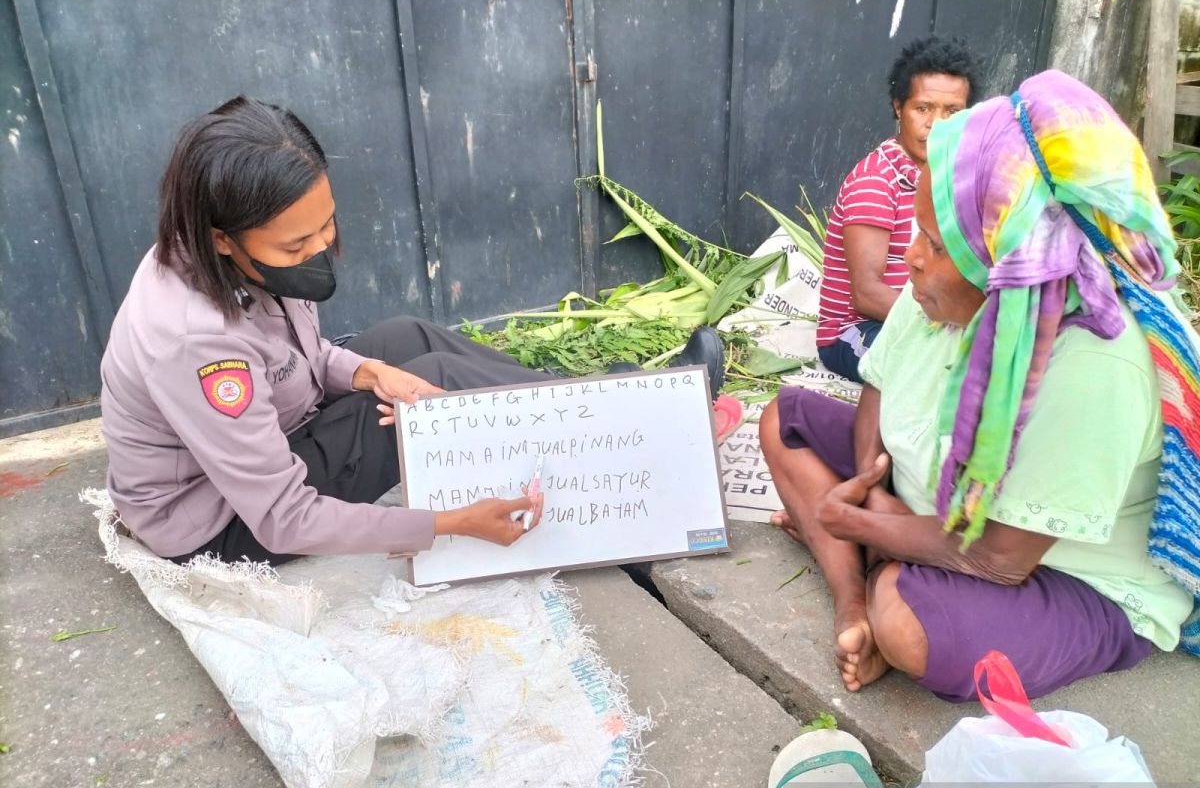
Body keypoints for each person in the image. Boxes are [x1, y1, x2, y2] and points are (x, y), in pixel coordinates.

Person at [100, 96, 723, 567]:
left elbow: (301, 356)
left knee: (409, 338)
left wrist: (363, 370)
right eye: (298, 242)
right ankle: (627, 430)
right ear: (221, 237)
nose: (323, 247)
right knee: (434, 385)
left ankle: (609, 408)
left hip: (269, 437)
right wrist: (448, 523)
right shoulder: (195, 342)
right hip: (223, 520)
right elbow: (282, 519)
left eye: (327, 224)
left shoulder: (221, 254)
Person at [760, 70, 1200, 702]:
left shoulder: (1097, 361)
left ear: (1014, 264)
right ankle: (852, 600)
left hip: (1058, 574)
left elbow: (1002, 558)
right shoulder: (941, 273)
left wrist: (857, 522)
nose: (911, 257)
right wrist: (869, 488)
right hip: (924, 507)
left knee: (909, 625)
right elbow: (878, 388)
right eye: (920, 232)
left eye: (934, 244)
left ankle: (875, 577)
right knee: (783, 421)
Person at [816, 35, 979, 382]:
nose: (937, 124)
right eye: (923, 108)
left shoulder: (955, 180)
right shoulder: (877, 180)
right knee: (942, 377)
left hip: (924, 316)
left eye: (952, 112)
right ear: (897, 107)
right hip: (856, 332)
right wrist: (950, 324)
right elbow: (866, 294)